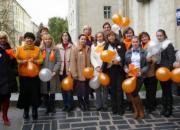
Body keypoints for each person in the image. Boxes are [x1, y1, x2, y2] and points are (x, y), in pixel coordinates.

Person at [16, 32, 43, 120]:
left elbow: (41, 60)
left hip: (34, 76)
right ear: (24, 39)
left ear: (33, 40)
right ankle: (26, 111)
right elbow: (16, 59)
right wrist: (21, 62)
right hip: (23, 76)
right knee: (25, 94)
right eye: (27, 38)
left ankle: (34, 111)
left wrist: (35, 61)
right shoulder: (19, 48)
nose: (29, 39)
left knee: (35, 94)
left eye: (31, 38)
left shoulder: (37, 49)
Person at [101, 31, 126, 115]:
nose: (111, 37)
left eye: (112, 36)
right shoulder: (106, 46)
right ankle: (114, 108)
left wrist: (118, 61)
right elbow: (104, 57)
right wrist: (103, 68)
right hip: (110, 70)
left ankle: (120, 109)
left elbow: (123, 55)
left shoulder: (121, 44)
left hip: (119, 69)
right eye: (109, 36)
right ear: (107, 38)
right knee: (112, 90)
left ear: (115, 36)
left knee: (119, 89)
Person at [124, 36, 148, 119]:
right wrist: (126, 69)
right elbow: (125, 64)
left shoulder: (144, 52)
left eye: (136, 42)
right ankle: (136, 110)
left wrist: (141, 72)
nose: (135, 43)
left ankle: (140, 111)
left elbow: (146, 65)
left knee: (135, 93)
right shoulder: (128, 52)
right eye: (133, 42)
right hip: (130, 75)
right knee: (132, 93)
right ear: (132, 43)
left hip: (139, 75)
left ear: (139, 42)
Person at [156, 29, 176, 117]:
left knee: (168, 91)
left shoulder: (168, 45)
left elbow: (171, 59)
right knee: (164, 91)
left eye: (160, 35)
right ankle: (164, 108)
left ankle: (169, 109)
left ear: (164, 35)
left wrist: (166, 71)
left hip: (166, 72)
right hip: (160, 72)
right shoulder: (159, 45)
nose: (159, 37)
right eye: (157, 35)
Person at [40, 34, 60, 114]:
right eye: (46, 39)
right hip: (43, 74)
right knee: (45, 91)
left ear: (52, 40)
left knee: (52, 91)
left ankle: (52, 107)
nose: (48, 40)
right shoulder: (40, 50)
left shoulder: (55, 49)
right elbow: (38, 62)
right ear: (43, 40)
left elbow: (58, 61)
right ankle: (47, 107)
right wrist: (41, 71)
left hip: (52, 74)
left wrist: (54, 71)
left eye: (49, 39)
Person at [0, 31, 17, 126]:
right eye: (1, 38)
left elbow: (14, 63)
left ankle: (5, 117)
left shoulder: (10, 50)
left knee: (7, 99)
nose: (3, 40)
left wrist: (14, 71)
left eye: (4, 38)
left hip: (8, 79)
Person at [70, 34, 91, 111]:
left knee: (86, 90)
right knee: (79, 90)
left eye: (85, 39)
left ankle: (86, 103)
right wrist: (74, 74)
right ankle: (81, 103)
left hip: (88, 73)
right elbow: (72, 62)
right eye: (82, 39)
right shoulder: (75, 49)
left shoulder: (89, 48)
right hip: (79, 73)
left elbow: (91, 60)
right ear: (79, 40)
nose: (83, 40)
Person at [139, 32, 158, 113]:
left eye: (145, 37)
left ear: (148, 37)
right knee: (148, 89)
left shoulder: (152, 44)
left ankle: (151, 107)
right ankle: (149, 105)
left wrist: (151, 60)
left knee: (151, 90)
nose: (144, 38)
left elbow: (156, 57)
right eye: (142, 37)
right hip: (145, 72)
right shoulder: (142, 46)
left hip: (151, 71)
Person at [56, 32, 74, 112]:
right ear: (61, 37)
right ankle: (65, 104)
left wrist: (70, 70)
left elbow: (74, 60)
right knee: (63, 89)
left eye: (66, 35)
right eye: (63, 36)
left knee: (69, 89)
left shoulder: (73, 47)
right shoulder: (57, 47)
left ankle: (70, 105)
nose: (65, 37)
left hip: (69, 71)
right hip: (61, 71)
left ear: (69, 37)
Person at [90, 32, 108, 111]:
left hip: (105, 69)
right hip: (97, 69)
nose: (99, 38)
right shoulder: (93, 46)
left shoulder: (106, 45)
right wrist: (96, 66)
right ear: (96, 38)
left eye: (101, 36)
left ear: (103, 37)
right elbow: (92, 57)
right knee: (97, 87)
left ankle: (104, 105)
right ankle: (98, 105)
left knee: (105, 88)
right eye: (98, 37)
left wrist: (103, 67)